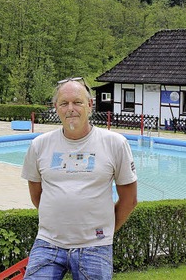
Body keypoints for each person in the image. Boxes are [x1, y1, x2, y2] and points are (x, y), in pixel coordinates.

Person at [21, 77, 138, 279]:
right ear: (56, 107)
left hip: (95, 247)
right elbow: (36, 194)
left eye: (77, 102)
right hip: (48, 243)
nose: (70, 109)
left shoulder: (115, 144)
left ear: (90, 105)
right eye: (64, 103)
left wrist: (104, 232)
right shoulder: (39, 145)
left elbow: (129, 199)